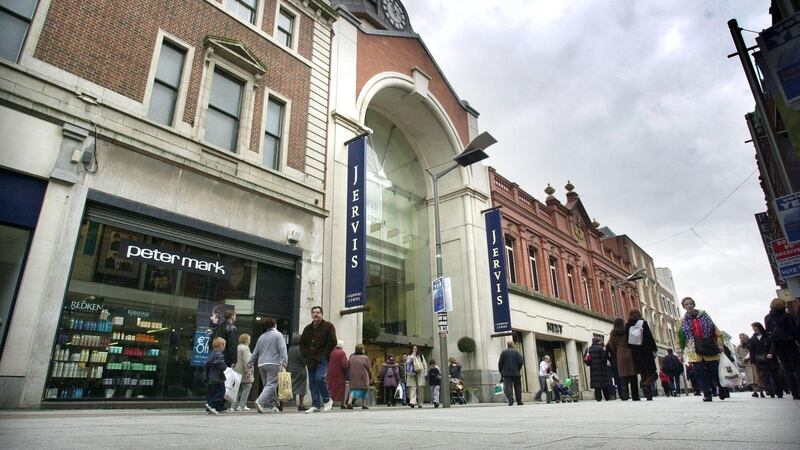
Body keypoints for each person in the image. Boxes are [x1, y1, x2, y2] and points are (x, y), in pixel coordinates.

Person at [677, 297, 725, 402]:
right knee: (699, 372)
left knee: (714, 371)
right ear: (684, 307)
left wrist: (720, 344)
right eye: (686, 304)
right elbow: (680, 338)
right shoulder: (682, 321)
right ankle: (707, 393)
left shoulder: (704, 316)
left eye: (690, 304)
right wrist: (680, 353)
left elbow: (715, 330)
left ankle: (722, 388)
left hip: (708, 345)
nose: (689, 306)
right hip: (693, 349)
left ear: (694, 304)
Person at [300, 305, 337, 413]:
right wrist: (305, 356)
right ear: (311, 314)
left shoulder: (328, 326)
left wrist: (325, 355)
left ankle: (327, 399)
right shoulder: (307, 328)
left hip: (321, 358)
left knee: (319, 378)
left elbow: (332, 341)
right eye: (314, 312)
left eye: (318, 312)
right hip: (310, 359)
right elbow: (302, 344)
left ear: (321, 314)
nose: (315, 314)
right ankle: (315, 404)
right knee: (312, 383)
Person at [249, 318, 287, 413]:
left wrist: (250, 362)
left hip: (261, 364)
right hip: (274, 363)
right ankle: (259, 401)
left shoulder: (261, 337)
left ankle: (273, 405)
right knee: (271, 385)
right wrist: (284, 362)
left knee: (268, 385)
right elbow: (282, 349)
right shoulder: (278, 335)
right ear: (275, 325)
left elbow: (255, 352)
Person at [765, 298, 800, 399]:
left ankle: (795, 393)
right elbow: (794, 330)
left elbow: (768, 333)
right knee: (797, 367)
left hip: (778, 346)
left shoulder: (767, 318)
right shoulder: (786, 315)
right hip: (789, 343)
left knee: (787, 369)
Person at [626, 309, 658, 400]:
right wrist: (654, 349)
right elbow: (649, 336)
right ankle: (647, 384)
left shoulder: (628, 325)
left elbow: (627, 340)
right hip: (646, 351)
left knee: (642, 373)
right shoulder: (643, 323)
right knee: (652, 372)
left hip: (635, 352)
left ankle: (648, 395)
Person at [606, 318, 638, 401]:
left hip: (620, 354)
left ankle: (624, 395)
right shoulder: (627, 330)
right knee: (632, 375)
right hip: (629, 353)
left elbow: (611, 346)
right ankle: (635, 395)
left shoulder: (613, 333)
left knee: (623, 376)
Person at [749, 321, 782, 397]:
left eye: (755, 327)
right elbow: (752, 351)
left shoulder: (767, 336)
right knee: (765, 376)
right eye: (753, 328)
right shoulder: (752, 339)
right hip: (761, 360)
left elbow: (772, 345)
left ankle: (778, 391)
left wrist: (771, 353)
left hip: (771, 359)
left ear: (759, 327)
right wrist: (753, 361)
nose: (754, 329)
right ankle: (770, 391)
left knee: (775, 375)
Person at [736, 332, 764, 398]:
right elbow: (738, 356)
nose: (741, 339)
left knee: (757, 377)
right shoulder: (739, 347)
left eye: (743, 337)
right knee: (751, 379)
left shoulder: (751, 343)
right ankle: (755, 391)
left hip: (754, 362)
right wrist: (741, 362)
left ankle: (761, 391)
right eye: (740, 338)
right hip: (746, 364)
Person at [204, 337, 227, 415]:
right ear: (221, 345)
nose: (224, 348)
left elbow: (207, 364)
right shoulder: (219, 354)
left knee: (211, 393)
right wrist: (224, 367)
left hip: (211, 377)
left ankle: (210, 406)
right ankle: (212, 406)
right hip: (218, 377)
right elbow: (219, 363)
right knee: (220, 392)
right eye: (224, 346)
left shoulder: (211, 353)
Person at [287, 333, 309, 411]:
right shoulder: (301, 349)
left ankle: (281, 403)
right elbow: (303, 360)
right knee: (302, 388)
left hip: (290, 369)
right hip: (300, 370)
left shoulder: (290, 349)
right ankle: (301, 404)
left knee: (289, 387)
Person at [498, 340, 524, 406]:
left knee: (508, 387)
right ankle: (519, 401)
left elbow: (500, 363)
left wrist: (501, 371)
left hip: (507, 374)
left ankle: (510, 401)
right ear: (513, 345)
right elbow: (521, 361)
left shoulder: (504, 352)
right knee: (517, 387)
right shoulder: (517, 352)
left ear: (507, 345)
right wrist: (518, 368)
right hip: (516, 373)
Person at [345, 344, 371, 409]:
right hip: (363, 375)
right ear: (362, 350)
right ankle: (363, 404)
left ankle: (349, 401)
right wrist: (370, 375)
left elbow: (349, 366)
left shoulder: (352, 357)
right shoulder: (365, 358)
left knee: (353, 389)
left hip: (353, 375)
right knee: (364, 389)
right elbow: (368, 368)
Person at [233, 333, 254, 411]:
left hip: (236, 371)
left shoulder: (237, 347)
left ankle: (234, 406)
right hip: (244, 372)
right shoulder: (245, 348)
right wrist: (249, 371)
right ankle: (242, 405)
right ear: (246, 340)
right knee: (247, 386)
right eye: (249, 339)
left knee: (237, 389)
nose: (250, 341)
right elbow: (247, 361)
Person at [587, 337, 611, 401]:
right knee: (604, 384)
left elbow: (588, 360)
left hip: (593, 369)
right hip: (602, 369)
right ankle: (607, 398)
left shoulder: (589, 349)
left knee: (597, 386)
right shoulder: (600, 349)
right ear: (598, 342)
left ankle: (598, 398)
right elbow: (604, 359)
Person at [327, 340, 348, 409]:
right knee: (341, 388)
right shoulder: (342, 353)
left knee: (331, 388)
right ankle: (343, 403)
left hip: (331, 372)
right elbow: (344, 364)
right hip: (340, 373)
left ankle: (330, 403)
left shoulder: (332, 352)